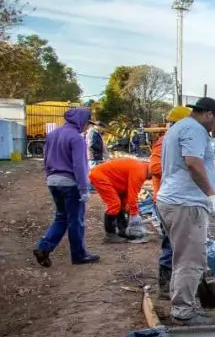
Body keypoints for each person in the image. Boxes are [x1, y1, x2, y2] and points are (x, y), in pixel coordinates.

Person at [156, 96, 215, 325]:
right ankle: (183, 311)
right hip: (186, 204)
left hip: (175, 201)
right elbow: (193, 163)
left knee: (182, 255)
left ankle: (180, 300)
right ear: (209, 114)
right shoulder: (195, 130)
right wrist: (211, 194)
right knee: (191, 259)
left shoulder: (179, 127)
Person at [32, 107, 100, 267]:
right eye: (87, 123)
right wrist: (84, 189)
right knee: (76, 220)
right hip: (70, 183)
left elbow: (46, 158)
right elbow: (80, 165)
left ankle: (44, 247)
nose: (87, 126)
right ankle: (79, 255)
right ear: (81, 121)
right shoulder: (76, 138)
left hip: (53, 181)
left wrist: (49, 176)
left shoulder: (53, 134)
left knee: (61, 217)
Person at [150, 106, 192, 292]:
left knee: (180, 243)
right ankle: (166, 287)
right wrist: (181, 170)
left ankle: (176, 284)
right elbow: (155, 168)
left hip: (182, 200)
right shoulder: (165, 141)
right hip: (170, 200)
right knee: (171, 243)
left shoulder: (180, 140)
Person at [89, 155, 152, 243]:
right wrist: (134, 214)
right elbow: (133, 195)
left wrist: (130, 209)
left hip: (106, 176)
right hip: (100, 176)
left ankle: (122, 230)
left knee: (122, 203)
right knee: (114, 204)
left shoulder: (142, 167)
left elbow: (127, 192)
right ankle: (110, 235)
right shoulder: (141, 171)